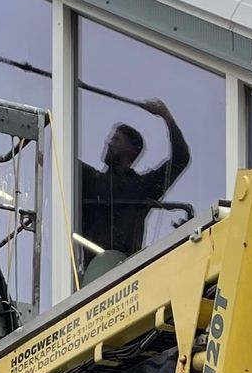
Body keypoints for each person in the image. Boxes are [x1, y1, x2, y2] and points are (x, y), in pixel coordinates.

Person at [76, 99, 191, 272]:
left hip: (125, 271)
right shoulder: (92, 179)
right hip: (92, 273)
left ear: (131, 150)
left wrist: (166, 117)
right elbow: (60, 160)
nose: (109, 142)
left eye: (116, 139)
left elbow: (180, 159)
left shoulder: (140, 188)